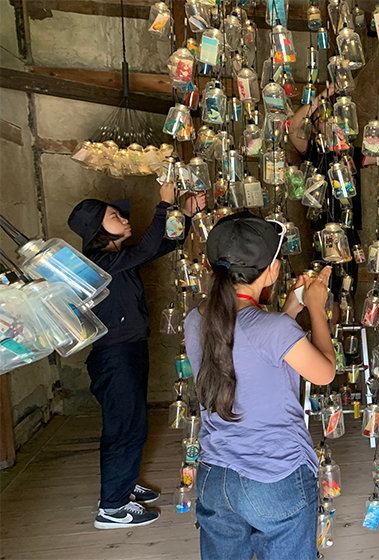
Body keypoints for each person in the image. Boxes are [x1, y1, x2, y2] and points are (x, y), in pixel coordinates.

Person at [184, 212, 337, 560]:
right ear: (273, 270)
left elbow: (246, 346)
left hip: (214, 477)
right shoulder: (273, 329)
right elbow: (324, 372)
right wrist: (316, 308)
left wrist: (290, 311)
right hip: (274, 476)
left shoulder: (196, 318)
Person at [67, 183, 204, 529]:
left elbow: (159, 246)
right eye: (115, 216)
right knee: (124, 428)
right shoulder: (98, 263)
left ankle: (122, 487)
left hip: (128, 350)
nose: (124, 219)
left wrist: (183, 217)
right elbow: (146, 248)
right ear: (99, 230)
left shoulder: (117, 259)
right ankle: (112, 507)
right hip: (114, 356)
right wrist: (163, 205)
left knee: (132, 425)